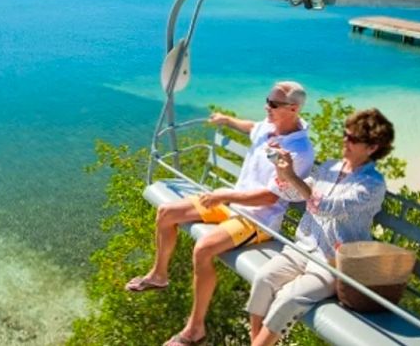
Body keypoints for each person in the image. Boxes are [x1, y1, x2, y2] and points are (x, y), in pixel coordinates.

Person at [125, 81, 315, 346]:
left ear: (293, 109)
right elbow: (252, 127)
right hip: (232, 206)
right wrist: (227, 120)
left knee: (203, 248)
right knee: (167, 212)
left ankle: (195, 330)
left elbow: (271, 196)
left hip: (258, 220)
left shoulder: (299, 150)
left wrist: (224, 195)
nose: (266, 107)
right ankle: (159, 275)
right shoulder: (267, 126)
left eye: (273, 104)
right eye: (266, 100)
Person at [246, 108, 395, 346]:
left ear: (372, 148)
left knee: (288, 298)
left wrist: (292, 176)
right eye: (346, 134)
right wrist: (282, 171)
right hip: (302, 247)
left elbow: (325, 206)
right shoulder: (330, 167)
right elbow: (296, 193)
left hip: (334, 263)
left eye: (353, 139)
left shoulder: (372, 184)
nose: (345, 141)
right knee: (263, 280)